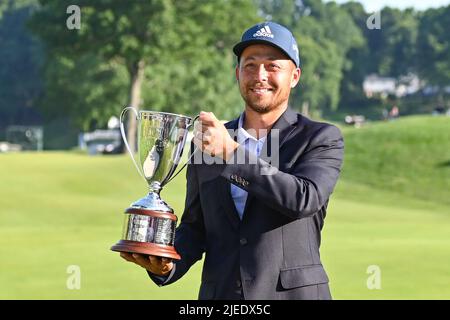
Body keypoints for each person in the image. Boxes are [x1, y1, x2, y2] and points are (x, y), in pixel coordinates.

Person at [119, 21, 344, 300]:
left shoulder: (320, 137)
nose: (260, 75)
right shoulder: (210, 139)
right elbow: (195, 226)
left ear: (294, 76)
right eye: (250, 65)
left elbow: (303, 199)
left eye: (273, 66)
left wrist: (230, 153)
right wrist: (167, 262)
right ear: (237, 73)